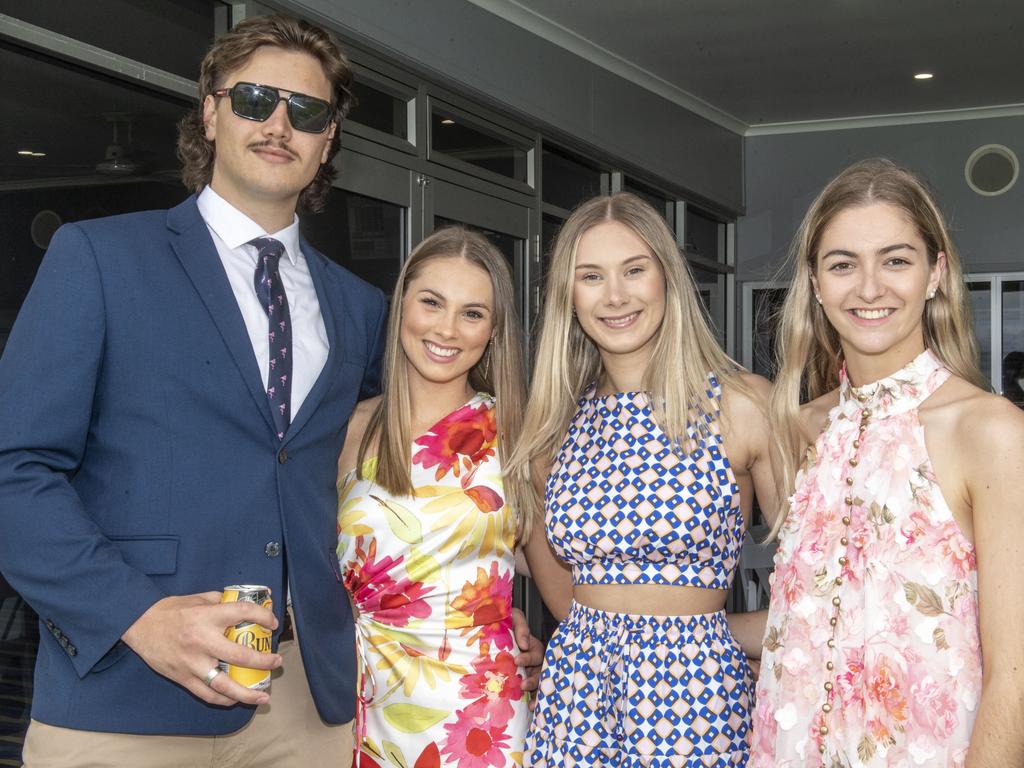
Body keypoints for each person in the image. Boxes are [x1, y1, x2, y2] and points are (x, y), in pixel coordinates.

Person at [0, 15, 542, 767]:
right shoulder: (99, 258)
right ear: (211, 112)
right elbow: (13, 472)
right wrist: (140, 617)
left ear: (327, 144)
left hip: (307, 705)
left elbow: (417, 471)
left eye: (308, 112)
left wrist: (485, 606)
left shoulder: (359, 309)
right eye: (256, 99)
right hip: (125, 695)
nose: (280, 123)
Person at [749, 159, 1024, 766]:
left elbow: (1017, 681)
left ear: (936, 274)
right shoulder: (801, 431)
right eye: (843, 264)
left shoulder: (991, 431)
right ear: (816, 284)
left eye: (896, 260)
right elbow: (807, 617)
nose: (869, 287)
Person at [509, 192, 777, 767]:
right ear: (568, 296)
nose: (615, 296)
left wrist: (714, 637)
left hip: (698, 700)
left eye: (634, 269)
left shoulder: (742, 404)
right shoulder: (552, 429)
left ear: (667, 279)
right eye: (591, 276)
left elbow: (821, 581)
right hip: (576, 701)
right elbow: (564, 598)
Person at [336, 226, 532, 768]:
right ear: (402, 304)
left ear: (493, 330)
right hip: (355, 700)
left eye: (473, 313)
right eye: (431, 302)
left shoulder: (518, 434)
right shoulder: (346, 428)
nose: (447, 329)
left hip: (475, 714)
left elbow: (567, 586)